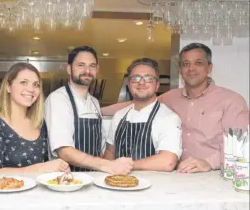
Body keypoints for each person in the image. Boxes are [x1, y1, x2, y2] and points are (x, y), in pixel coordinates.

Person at [101, 43, 249, 173]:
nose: (191, 68)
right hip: (179, 174)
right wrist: (97, 110)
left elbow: (242, 146)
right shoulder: (172, 97)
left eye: (198, 63)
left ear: (209, 67)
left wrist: (210, 163)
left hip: (215, 174)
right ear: (180, 69)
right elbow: (140, 102)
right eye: (186, 64)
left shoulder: (231, 101)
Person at [45, 46, 133, 174]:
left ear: (97, 70)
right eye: (81, 65)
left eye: (92, 66)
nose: (87, 70)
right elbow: (64, 150)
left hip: (94, 177)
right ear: (69, 69)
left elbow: (100, 147)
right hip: (67, 180)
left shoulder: (95, 103)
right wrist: (106, 165)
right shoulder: (58, 99)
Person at [0, 62, 70, 173]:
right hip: (8, 190)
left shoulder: (39, 124)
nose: (31, 89)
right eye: (24, 82)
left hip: (38, 190)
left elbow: (47, 165)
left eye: (36, 85)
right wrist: (41, 167)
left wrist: (60, 167)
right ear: (8, 87)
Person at [104, 58, 182, 172]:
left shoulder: (169, 118)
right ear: (129, 84)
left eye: (148, 78)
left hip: (155, 186)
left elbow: (167, 161)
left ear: (157, 85)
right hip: (118, 183)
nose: (141, 82)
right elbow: (110, 152)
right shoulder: (119, 116)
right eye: (135, 78)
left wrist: (125, 166)